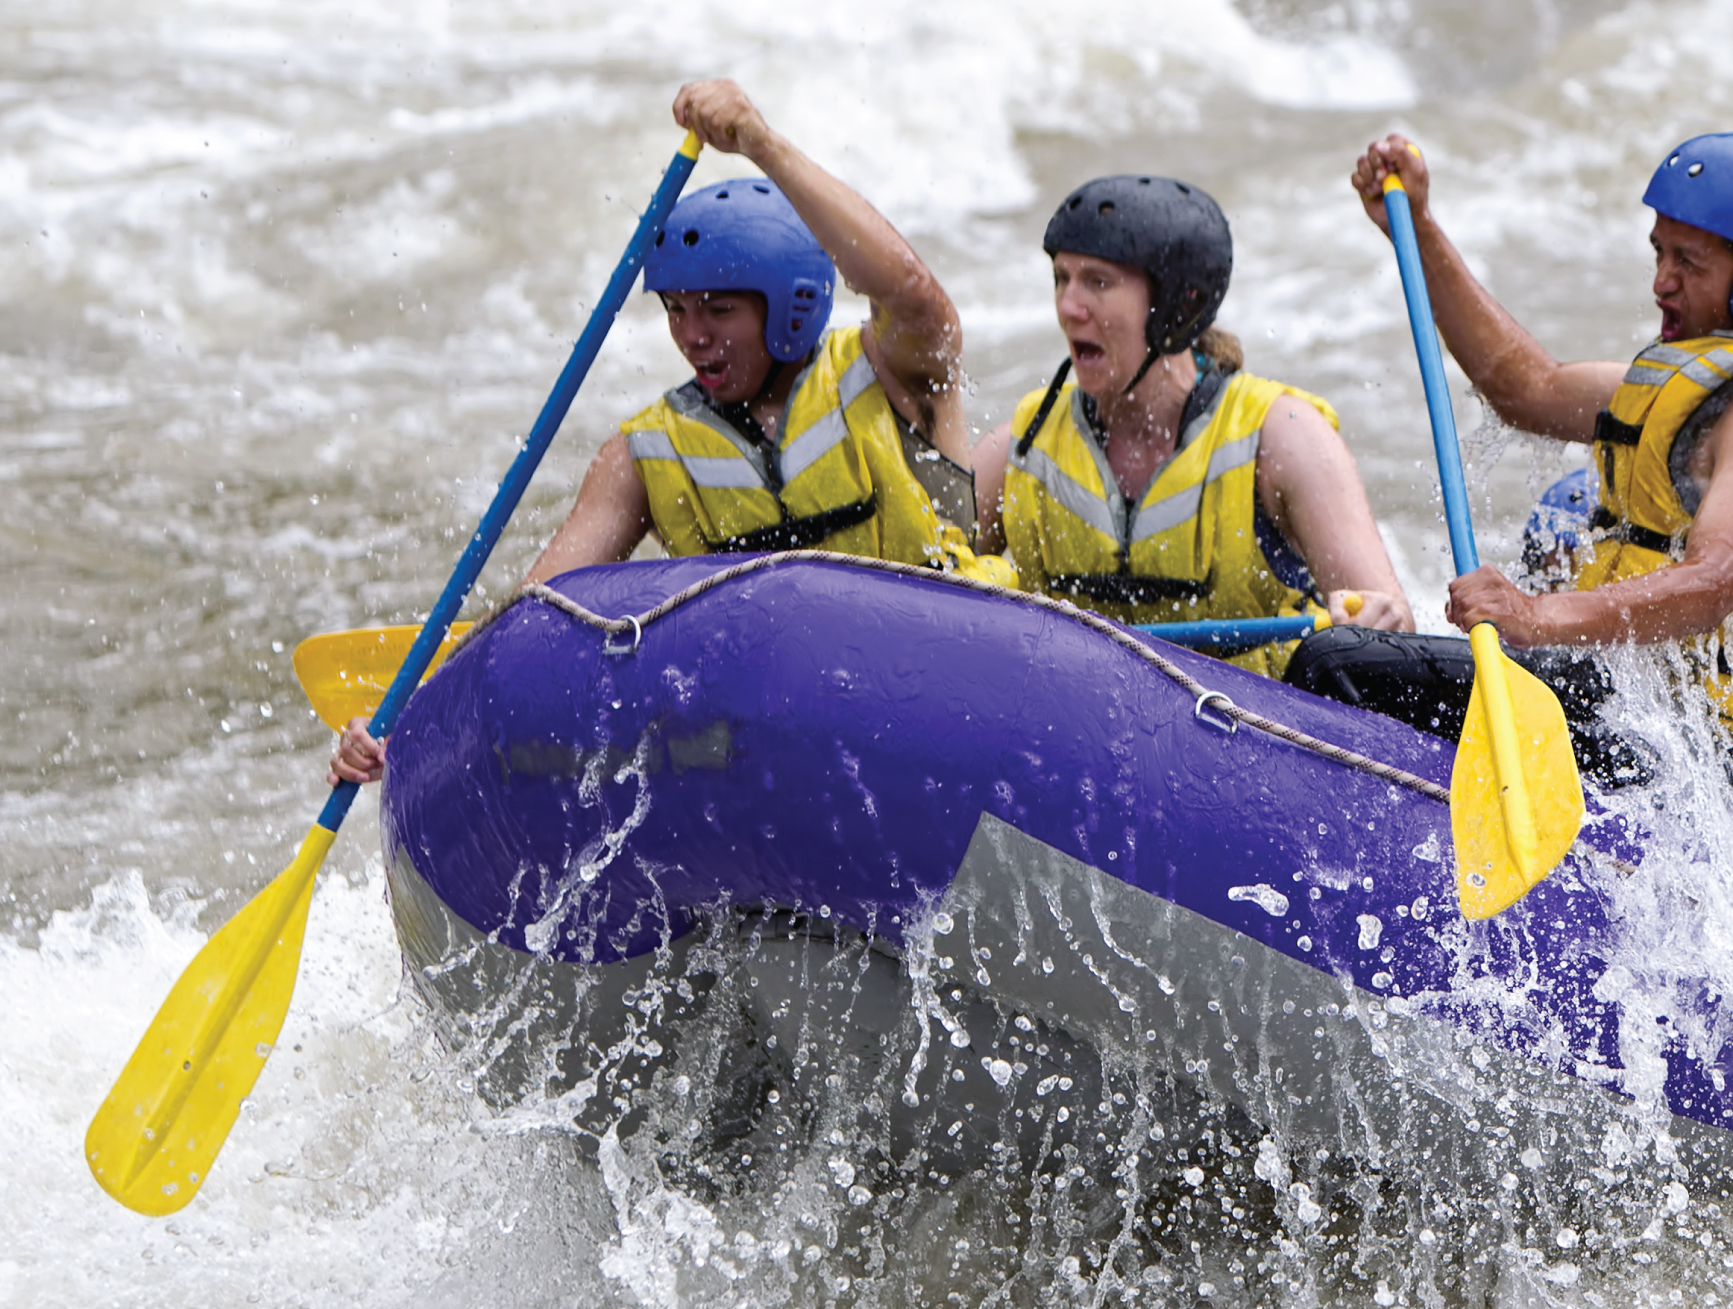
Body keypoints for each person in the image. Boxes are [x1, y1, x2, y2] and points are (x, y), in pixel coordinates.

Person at [332, 78, 985, 785]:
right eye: (675, 309)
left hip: (934, 704)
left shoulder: (895, 371)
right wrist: (406, 721)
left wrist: (761, 146)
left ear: (792, 305)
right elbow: (539, 614)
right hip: (772, 748)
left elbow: (911, 289)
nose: (692, 336)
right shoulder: (644, 453)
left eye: (717, 309)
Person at [1300, 130, 1733, 781]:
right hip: (1641, 717)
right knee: (1372, 662)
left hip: (1725, 765)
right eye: (1659, 254)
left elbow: (1712, 584)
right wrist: (1415, 227)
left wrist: (1534, 615)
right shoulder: (1702, 384)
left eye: (1689, 264)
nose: (1661, 283)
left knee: (1336, 664)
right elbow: (1523, 388)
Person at [953, 175, 1411, 678]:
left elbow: (1393, 636)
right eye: (1062, 278)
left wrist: (1374, 619)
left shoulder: (1284, 439)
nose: (1068, 306)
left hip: (1245, 732)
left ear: (1178, 304)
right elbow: (912, 589)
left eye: (1098, 282)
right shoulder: (1021, 446)